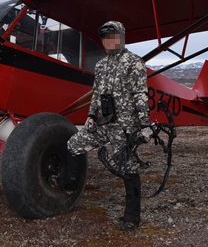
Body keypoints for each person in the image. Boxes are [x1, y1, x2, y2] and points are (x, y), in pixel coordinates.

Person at [51, 21, 149, 232]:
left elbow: (140, 95)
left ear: (121, 37)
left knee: (128, 167)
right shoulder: (101, 65)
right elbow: (96, 94)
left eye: (112, 36)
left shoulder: (134, 62)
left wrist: (145, 125)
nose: (108, 41)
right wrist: (91, 116)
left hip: (124, 126)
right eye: (105, 38)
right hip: (103, 123)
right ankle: (70, 183)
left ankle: (132, 216)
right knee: (74, 144)